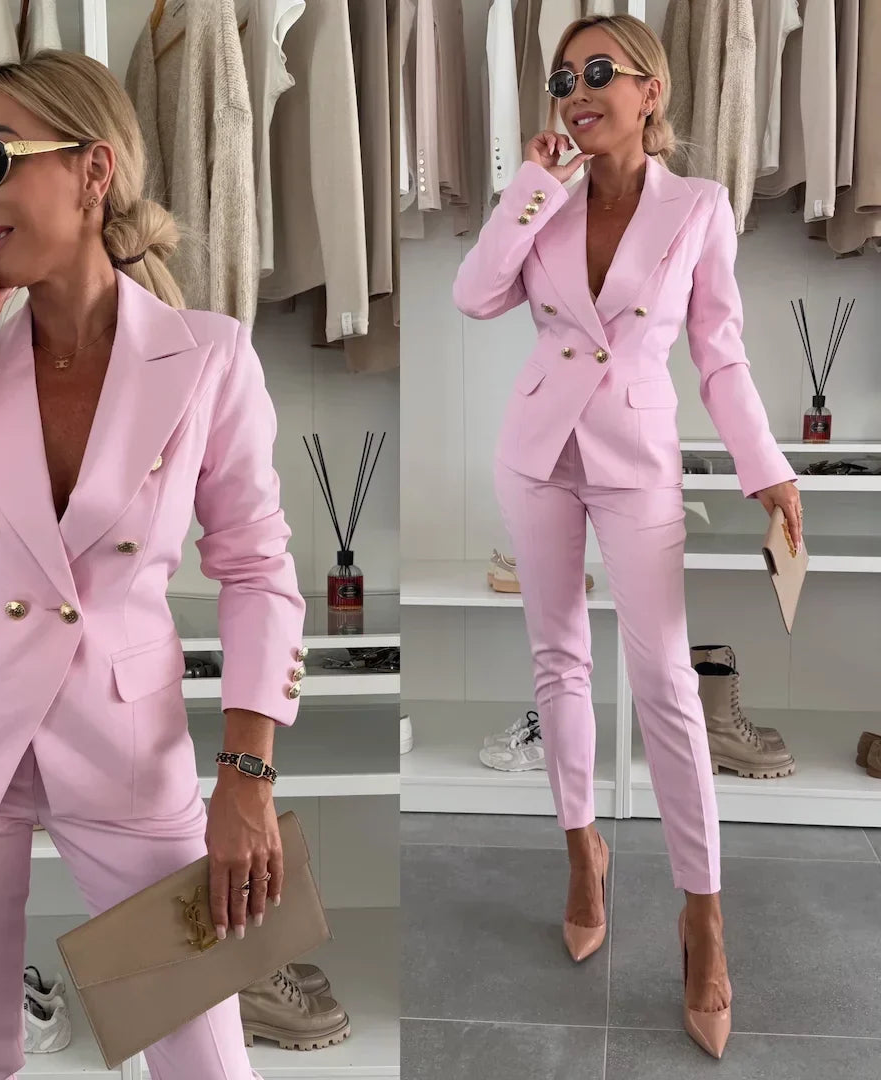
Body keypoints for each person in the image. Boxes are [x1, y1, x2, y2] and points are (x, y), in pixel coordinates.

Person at [0, 50, 307, 1080]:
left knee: (205, 1057)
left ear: (93, 169)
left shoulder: (207, 356)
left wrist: (247, 776)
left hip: (129, 748)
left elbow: (258, 569)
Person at [452, 14, 803, 1061]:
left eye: (599, 71)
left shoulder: (699, 207)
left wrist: (767, 467)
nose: (576, 91)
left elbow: (721, 356)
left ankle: (703, 916)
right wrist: (530, 185)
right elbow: (475, 295)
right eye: (563, 77)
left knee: (666, 684)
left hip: (639, 459)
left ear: (651, 90)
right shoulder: (544, 199)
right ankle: (582, 851)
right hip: (537, 453)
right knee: (557, 657)